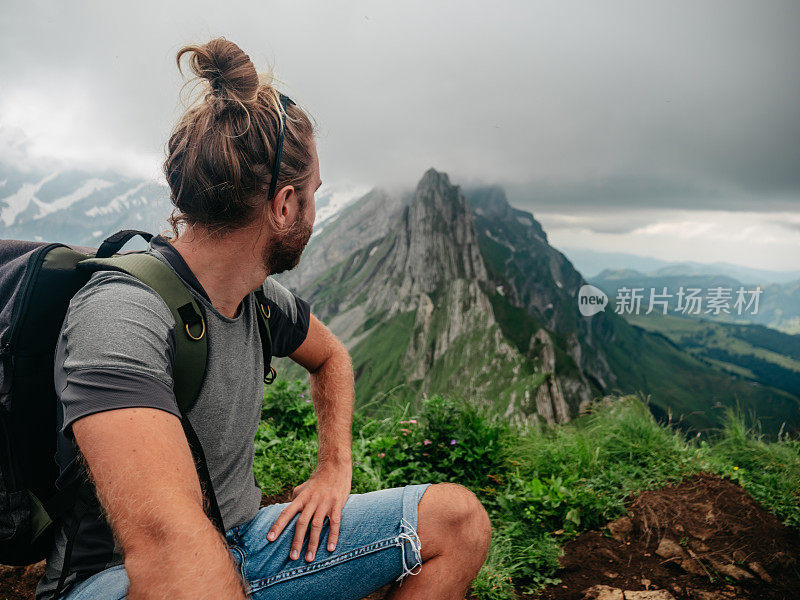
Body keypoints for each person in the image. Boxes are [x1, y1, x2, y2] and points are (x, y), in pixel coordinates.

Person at [36, 37, 491, 600]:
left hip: (245, 543)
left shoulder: (259, 299)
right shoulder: (122, 315)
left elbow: (331, 358)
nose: (315, 211)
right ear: (282, 206)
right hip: (122, 579)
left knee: (459, 522)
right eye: (313, 195)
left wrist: (333, 468)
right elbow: (168, 557)